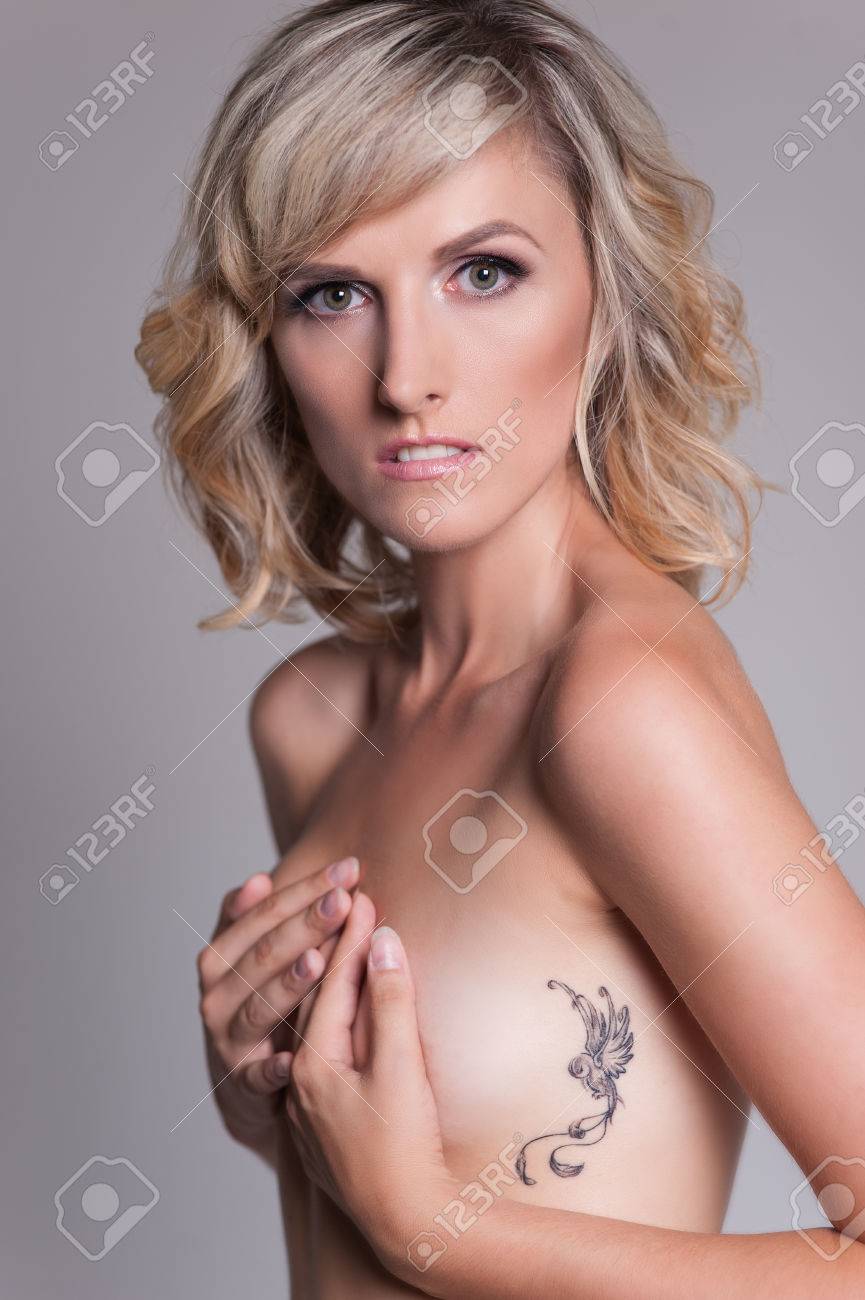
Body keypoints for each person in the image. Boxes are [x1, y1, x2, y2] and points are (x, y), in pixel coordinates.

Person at [135, 1, 865, 1295]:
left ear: (604, 291)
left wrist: (440, 1229)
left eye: (482, 272)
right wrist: (270, 1110)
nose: (405, 376)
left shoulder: (618, 706)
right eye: (333, 294)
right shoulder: (313, 716)